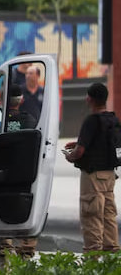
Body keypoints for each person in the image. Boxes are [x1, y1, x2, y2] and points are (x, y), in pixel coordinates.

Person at [64, 82, 120, 255]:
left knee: (92, 216)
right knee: (108, 216)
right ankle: (112, 258)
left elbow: (80, 152)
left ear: (90, 98)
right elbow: (100, 142)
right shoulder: (113, 119)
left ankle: (93, 261)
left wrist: (69, 155)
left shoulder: (91, 120)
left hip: (92, 177)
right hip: (109, 176)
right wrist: (78, 143)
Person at [0, 84, 38, 264]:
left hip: (3, 175)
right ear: (21, 100)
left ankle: (5, 254)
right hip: (24, 174)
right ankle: (26, 253)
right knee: (28, 210)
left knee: (2, 212)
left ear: (3, 98)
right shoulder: (29, 120)